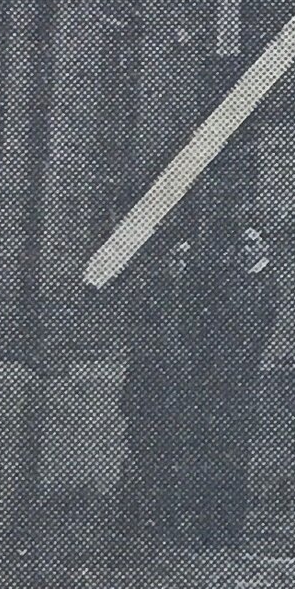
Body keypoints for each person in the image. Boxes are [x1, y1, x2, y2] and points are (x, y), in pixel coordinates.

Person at [185, 225, 280, 547]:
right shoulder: (231, 280)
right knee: (211, 454)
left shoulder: (265, 287)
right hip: (217, 382)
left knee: (233, 457)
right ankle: (208, 526)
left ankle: (228, 528)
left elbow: (246, 333)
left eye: (252, 242)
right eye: (241, 243)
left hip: (238, 384)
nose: (244, 249)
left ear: (265, 247)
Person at [118, 229, 196, 541]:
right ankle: (136, 521)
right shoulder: (150, 294)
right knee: (144, 455)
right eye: (175, 257)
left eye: (185, 258)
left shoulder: (190, 296)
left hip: (176, 391)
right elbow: (141, 344)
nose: (180, 264)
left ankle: (167, 522)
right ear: (164, 260)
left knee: (173, 456)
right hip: (149, 389)